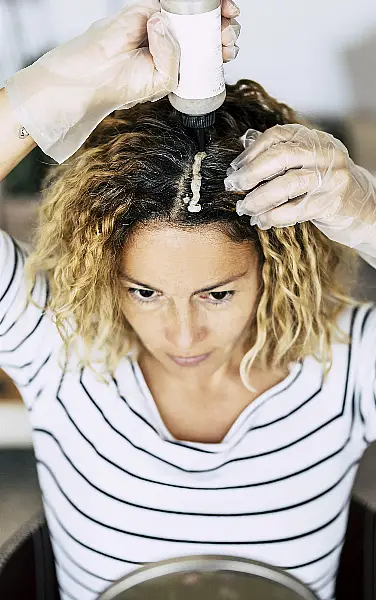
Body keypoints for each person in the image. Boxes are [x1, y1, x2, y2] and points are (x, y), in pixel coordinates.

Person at [1, 1, 376, 600]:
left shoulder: (346, 364)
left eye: (217, 293)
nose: (181, 336)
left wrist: (366, 214)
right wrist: (50, 87)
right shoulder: (58, 351)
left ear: (273, 270)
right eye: (144, 292)